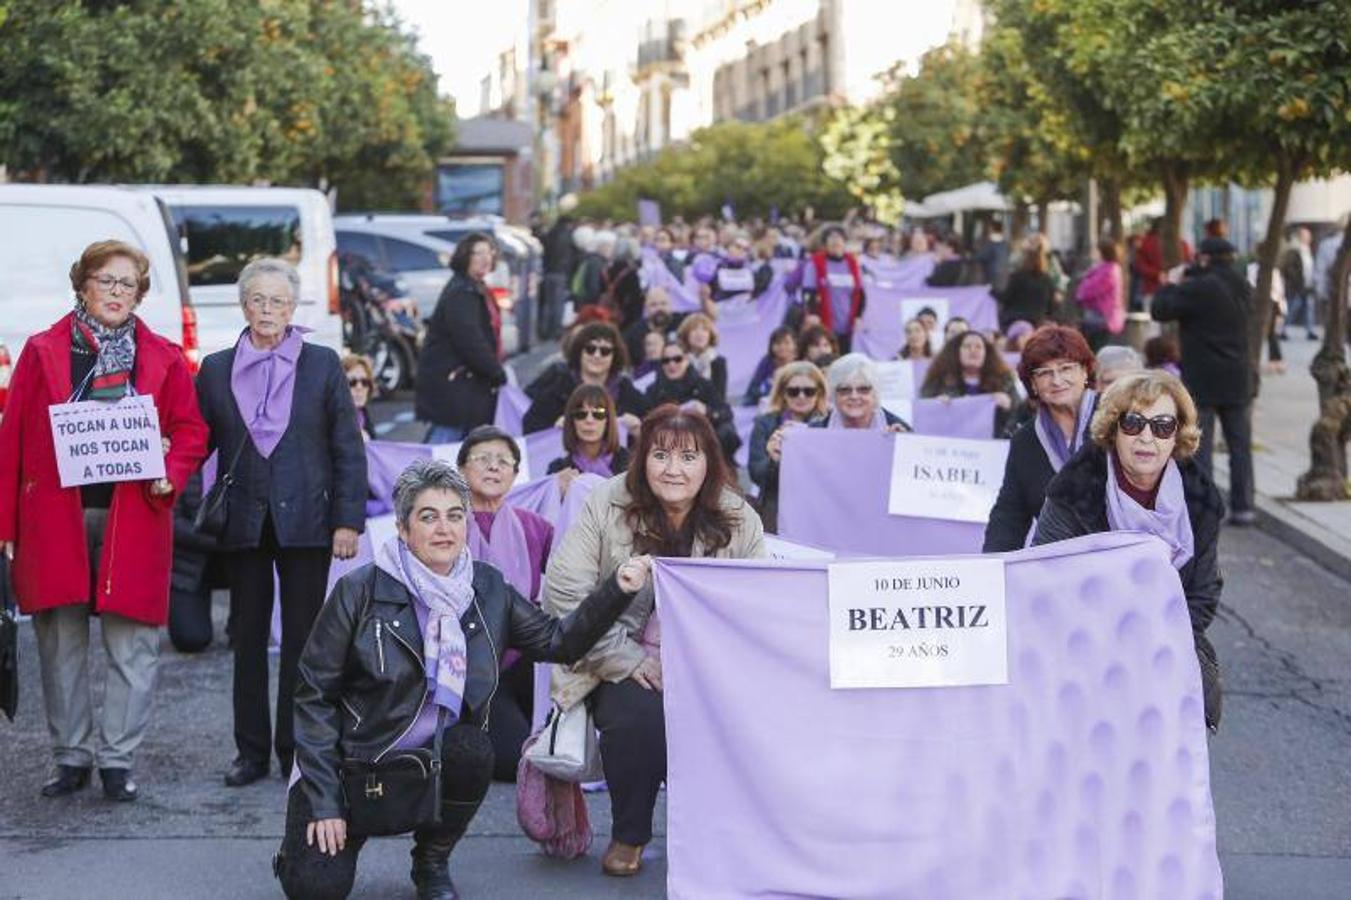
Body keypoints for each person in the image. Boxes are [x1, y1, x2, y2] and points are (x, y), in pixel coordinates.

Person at [274, 460, 648, 900]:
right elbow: (314, 696)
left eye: (455, 515)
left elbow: (559, 641)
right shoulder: (358, 591)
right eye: (428, 516)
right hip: (353, 765)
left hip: (433, 759)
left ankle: (430, 860)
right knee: (315, 889)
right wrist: (323, 801)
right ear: (403, 528)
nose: (444, 528)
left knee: (473, 750)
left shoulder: (486, 588)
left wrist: (617, 589)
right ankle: (326, 839)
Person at [0, 239, 208, 801]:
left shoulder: (163, 356)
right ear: (83, 286)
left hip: (134, 516)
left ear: (140, 294)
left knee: (132, 643)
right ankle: (71, 756)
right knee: (59, 643)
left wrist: (172, 471)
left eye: (128, 284)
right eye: (106, 281)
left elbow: (191, 431)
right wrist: (5, 530)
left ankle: (117, 759)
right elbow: (10, 439)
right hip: (53, 517)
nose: (116, 292)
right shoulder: (42, 350)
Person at [544, 406, 767, 876]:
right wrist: (626, 659)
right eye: (661, 454)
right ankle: (630, 833)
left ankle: (722, 835)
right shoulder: (607, 502)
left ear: (709, 463)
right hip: (615, 656)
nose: (673, 469)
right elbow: (563, 596)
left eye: (688, 457)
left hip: (709, 662)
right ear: (643, 458)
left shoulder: (738, 515)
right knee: (637, 717)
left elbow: (758, 601)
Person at [196, 257, 368, 788]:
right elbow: (194, 440)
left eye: (278, 301)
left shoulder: (321, 364)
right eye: (258, 300)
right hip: (243, 519)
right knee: (246, 640)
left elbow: (347, 447)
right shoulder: (215, 368)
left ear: (292, 308)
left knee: (303, 643)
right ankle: (249, 753)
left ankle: (297, 748)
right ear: (243, 305)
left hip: (310, 522)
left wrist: (348, 521)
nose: (267, 309)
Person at [1033, 371, 1224, 731]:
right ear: (1113, 429)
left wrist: (1157, 641)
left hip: (1168, 645)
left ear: (1177, 434)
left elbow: (1204, 592)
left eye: (1163, 426)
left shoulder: (1202, 500)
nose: (1147, 438)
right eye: (1133, 423)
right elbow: (1048, 579)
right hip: (1084, 648)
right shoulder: (1074, 490)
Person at [453, 427, 556, 781]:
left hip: (526, 658)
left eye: (503, 461)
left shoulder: (537, 527)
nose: (493, 467)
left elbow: (571, 580)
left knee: (562, 743)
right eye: (482, 459)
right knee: (513, 760)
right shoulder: (445, 526)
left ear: (515, 473)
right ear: (462, 470)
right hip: (472, 664)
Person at [1151, 237, 1256, 524]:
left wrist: (1171, 282)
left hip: (1204, 378)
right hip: (1239, 377)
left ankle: (1208, 508)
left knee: (1200, 446)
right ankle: (1244, 506)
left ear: (1205, 258)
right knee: (1240, 446)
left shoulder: (1198, 288)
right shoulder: (1243, 286)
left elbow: (1159, 309)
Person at [983, 325, 1097, 552]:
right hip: (1059, 563)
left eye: (1066, 368)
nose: (1056, 380)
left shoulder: (1117, 419)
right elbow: (1009, 515)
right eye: (1044, 373)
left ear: (1085, 372)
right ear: (1033, 385)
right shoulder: (1025, 440)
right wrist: (992, 568)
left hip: (1124, 561)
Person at [416, 232, 508, 443]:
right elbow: (470, 339)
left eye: (490, 252)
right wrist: (495, 371)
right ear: (465, 256)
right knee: (441, 452)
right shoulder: (462, 293)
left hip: (463, 384)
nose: (487, 258)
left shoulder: (473, 287)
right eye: (479, 253)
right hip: (454, 385)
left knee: (457, 448)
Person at [522, 321, 646, 435]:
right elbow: (531, 428)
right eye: (590, 349)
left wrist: (638, 431)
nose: (597, 355)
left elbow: (654, 431)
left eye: (605, 351)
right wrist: (553, 429)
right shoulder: (558, 390)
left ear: (615, 356)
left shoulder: (626, 392)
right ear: (579, 352)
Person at [748, 362, 830, 531]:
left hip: (820, 507)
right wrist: (774, 460)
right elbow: (755, 474)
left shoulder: (829, 425)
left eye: (809, 391)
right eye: (793, 391)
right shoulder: (765, 423)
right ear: (783, 393)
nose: (801, 396)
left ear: (819, 393)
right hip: (777, 505)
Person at [645, 340, 741, 463]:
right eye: (666, 360)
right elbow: (646, 422)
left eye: (677, 359)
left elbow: (726, 412)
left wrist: (706, 410)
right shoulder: (653, 391)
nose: (671, 364)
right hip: (666, 448)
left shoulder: (703, 385)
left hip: (704, 447)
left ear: (687, 359)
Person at [920, 331, 1020, 436]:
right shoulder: (938, 381)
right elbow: (922, 415)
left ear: (986, 353)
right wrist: (934, 406)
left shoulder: (1004, 382)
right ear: (956, 352)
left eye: (978, 347)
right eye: (967, 346)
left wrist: (1008, 406)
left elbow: (1020, 417)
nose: (973, 350)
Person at [547, 384, 632, 492]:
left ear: (608, 420)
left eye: (598, 414)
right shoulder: (558, 469)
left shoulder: (630, 463)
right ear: (571, 421)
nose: (589, 420)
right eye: (580, 414)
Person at [798, 225, 865, 353]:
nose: (836, 242)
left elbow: (860, 292)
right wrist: (812, 314)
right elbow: (808, 291)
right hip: (824, 323)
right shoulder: (815, 262)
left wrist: (858, 316)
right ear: (825, 244)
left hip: (847, 324)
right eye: (832, 239)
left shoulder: (852, 263)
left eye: (839, 239)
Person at [821, 354, 910, 431]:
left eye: (863, 389)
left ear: (875, 394)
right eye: (845, 390)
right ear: (834, 394)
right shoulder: (816, 431)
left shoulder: (900, 430)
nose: (854, 396)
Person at [539, 194, 579, 341]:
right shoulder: (568, 236)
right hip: (561, 273)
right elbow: (573, 257)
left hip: (548, 271)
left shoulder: (550, 234)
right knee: (558, 304)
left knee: (548, 304)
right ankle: (556, 332)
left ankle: (545, 331)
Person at [998, 236, 1058, 331]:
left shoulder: (1018, 277)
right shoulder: (1047, 280)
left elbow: (1006, 298)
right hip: (1037, 323)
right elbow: (1051, 306)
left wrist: (991, 291)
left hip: (1015, 321)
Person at [1075, 238, 1126, 350]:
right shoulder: (1105, 268)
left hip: (1102, 318)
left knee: (1097, 350)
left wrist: (1082, 289)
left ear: (1102, 252)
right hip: (1098, 317)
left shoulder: (1108, 270)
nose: (1093, 253)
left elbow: (1088, 291)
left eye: (1096, 250)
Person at [622, 286, 683, 366]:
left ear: (671, 306)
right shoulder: (635, 333)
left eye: (663, 303)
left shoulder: (682, 323)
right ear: (646, 309)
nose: (659, 308)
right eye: (653, 305)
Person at [743, 325, 799, 406]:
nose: (782, 347)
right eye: (778, 343)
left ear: (794, 345)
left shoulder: (800, 362)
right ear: (771, 346)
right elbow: (753, 389)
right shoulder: (766, 362)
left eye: (787, 343)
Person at [1279, 226, 1318, 341]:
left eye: (1309, 236)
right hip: (1297, 286)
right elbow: (1289, 268)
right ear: (1301, 236)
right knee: (1292, 308)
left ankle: (1310, 331)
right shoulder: (1293, 250)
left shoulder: (1310, 250)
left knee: (1309, 308)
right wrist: (1295, 281)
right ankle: (1283, 330)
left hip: (1308, 285)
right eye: (1306, 235)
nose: (1309, 238)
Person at [676, 313, 728, 399]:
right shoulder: (677, 361)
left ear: (710, 335)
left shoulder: (718, 362)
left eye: (704, 330)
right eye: (694, 330)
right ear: (686, 335)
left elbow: (720, 397)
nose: (699, 334)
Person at [342, 353, 376, 441]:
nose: (359, 387)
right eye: (352, 382)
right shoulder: (330, 421)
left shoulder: (363, 415)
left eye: (365, 382)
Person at [975, 219, 1010, 291]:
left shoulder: (991, 243)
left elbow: (981, 256)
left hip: (991, 276)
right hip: (1003, 276)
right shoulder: (1005, 244)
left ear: (992, 229)